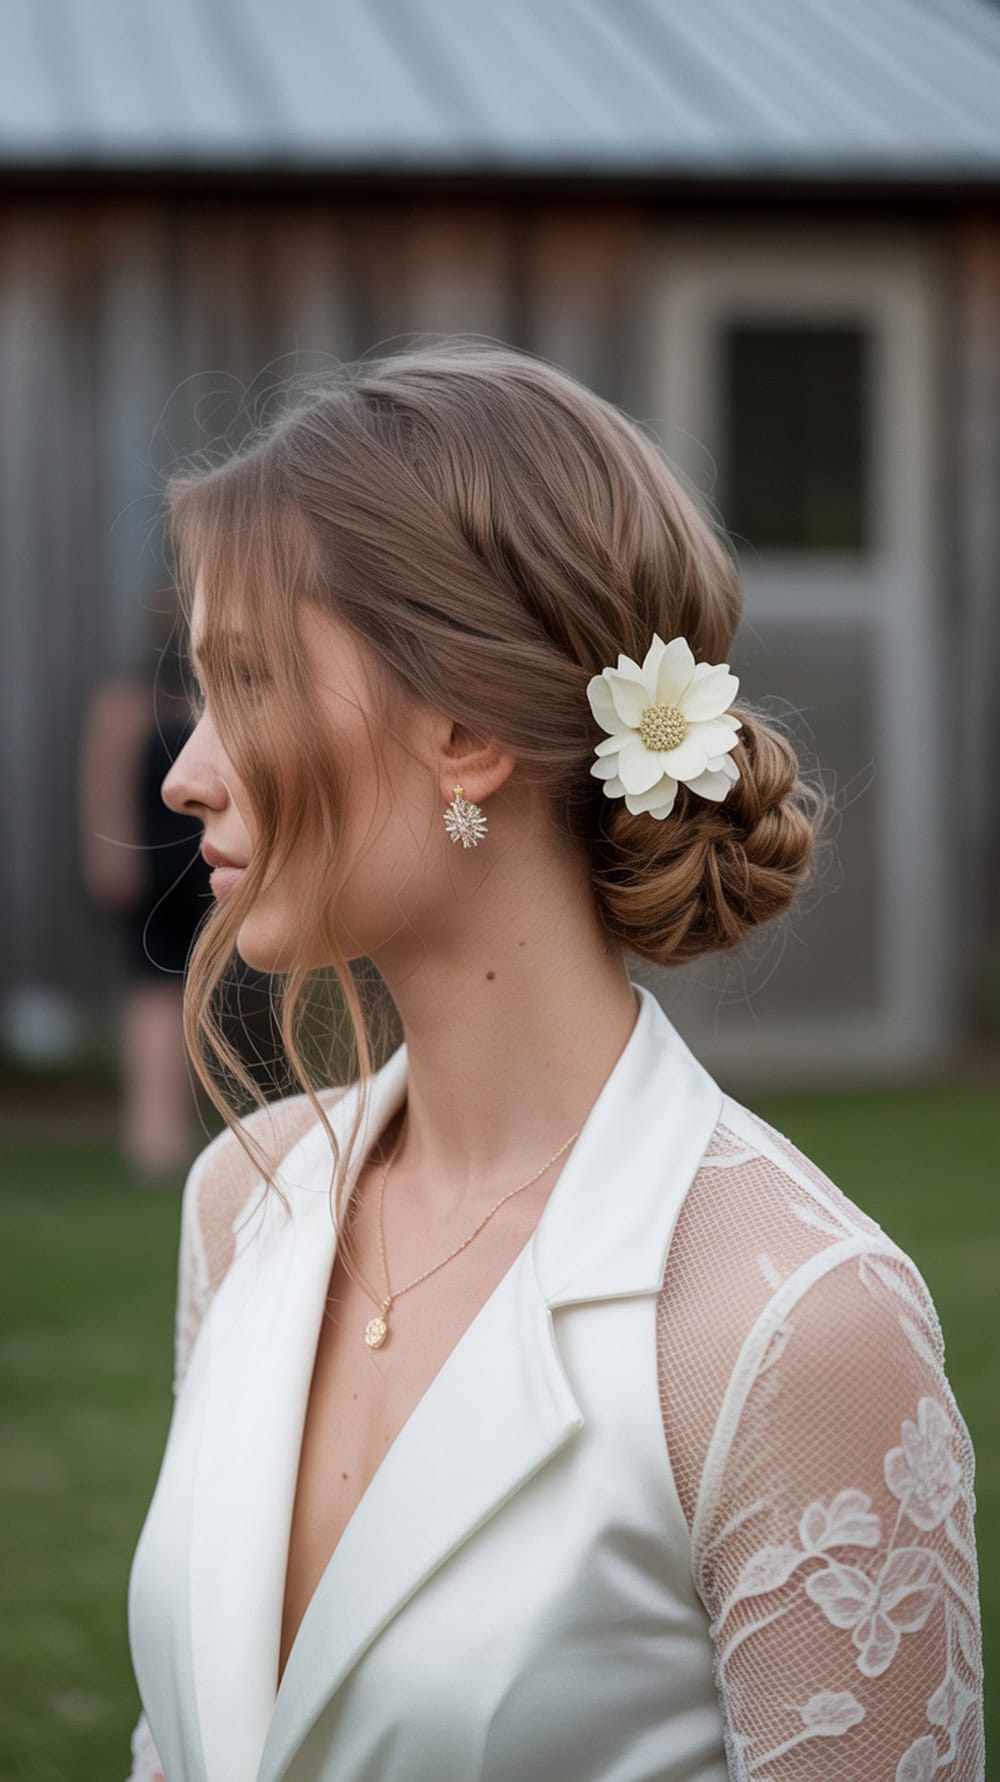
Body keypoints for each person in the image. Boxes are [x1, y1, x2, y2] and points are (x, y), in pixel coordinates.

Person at [124, 345, 984, 1780]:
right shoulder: (245, 1201)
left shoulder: (789, 1327)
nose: (187, 771)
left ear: (462, 729)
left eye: (252, 679)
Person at [78, 598, 211, 1182]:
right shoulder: (132, 699)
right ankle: (154, 1135)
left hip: (206, 862)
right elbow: (105, 787)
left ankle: (175, 1131)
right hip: (153, 869)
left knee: (188, 997)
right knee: (157, 996)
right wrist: (110, 860)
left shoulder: (204, 697)